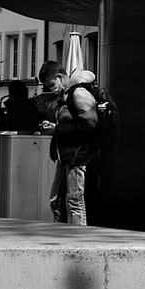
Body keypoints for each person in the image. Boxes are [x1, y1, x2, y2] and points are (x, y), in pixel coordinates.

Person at [48, 82, 102, 225]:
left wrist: (57, 128)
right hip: (66, 155)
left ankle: (78, 237)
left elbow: (89, 125)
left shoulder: (77, 95)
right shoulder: (66, 99)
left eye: (51, 83)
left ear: (59, 78)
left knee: (74, 200)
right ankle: (64, 234)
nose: (51, 88)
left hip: (75, 155)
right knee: (58, 200)